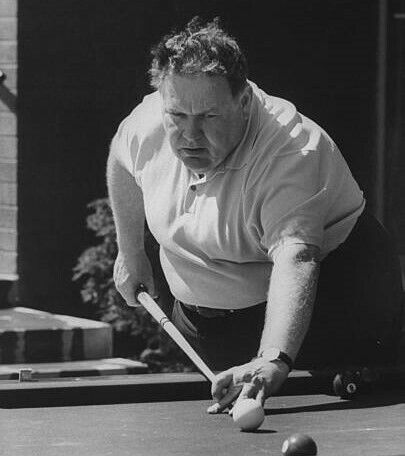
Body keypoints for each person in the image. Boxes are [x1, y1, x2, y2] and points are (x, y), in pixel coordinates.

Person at [107, 17, 403, 413]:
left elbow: (297, 258)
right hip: (210, 328)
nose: (190, 134)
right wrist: (130, 252)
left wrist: (274, 357)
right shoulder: (148, 121)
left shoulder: (292, 151)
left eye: (209, 117)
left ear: (244, 102)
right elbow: (121, 159)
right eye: (177, 115)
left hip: (331, 312)